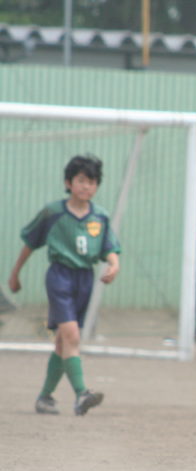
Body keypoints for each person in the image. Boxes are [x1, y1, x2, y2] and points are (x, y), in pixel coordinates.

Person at [7, 154, 120, 416]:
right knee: (72, 337)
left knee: (62, 343)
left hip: (85, 279)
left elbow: (109, 248)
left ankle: (45, 397)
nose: (87, 186)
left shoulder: (100, 216)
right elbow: (30, 243)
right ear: (68, 182)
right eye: (81, 180)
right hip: (60, 276)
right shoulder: (53, 212)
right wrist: (15, 274)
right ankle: (82, 394)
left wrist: (114, 265)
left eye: (92, 182)